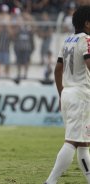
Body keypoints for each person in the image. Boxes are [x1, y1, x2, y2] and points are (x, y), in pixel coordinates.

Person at [44, 5, 90, 184]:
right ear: (87, 23)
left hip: (68, 92)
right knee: (72, 141)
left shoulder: (68, 40)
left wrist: (61, 93)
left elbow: (57, 69)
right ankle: (50, 181)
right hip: (82, 94)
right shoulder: (86, 40)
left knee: (83, 144)